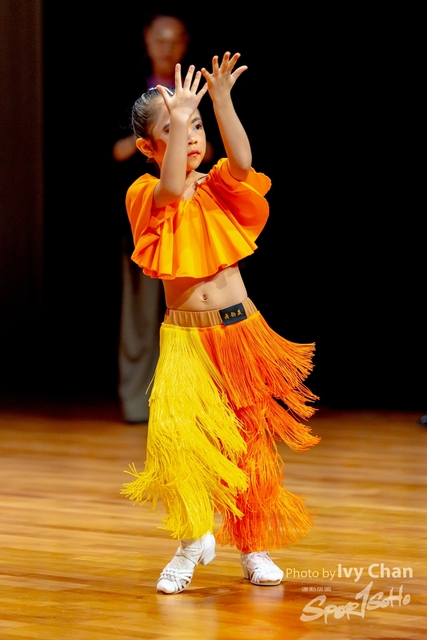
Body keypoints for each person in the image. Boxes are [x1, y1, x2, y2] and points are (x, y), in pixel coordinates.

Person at [121, 52, 320, 594]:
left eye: (195, 126)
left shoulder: (219, 187)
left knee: (248, 442)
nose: (189, 136)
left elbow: (243, 157)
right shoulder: (145, 195)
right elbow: (169, 189)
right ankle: (192, 542)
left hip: (240, 332)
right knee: (179, 440)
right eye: (173, 128)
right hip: (186, 339)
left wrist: (222, 101)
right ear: (147, 147)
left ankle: (253, 547)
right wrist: (181, 111)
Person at [112, 14, 192, 424]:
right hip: (146, 219)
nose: (166, 48)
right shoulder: (133, 92)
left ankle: (189, 404)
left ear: (185, 44)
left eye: (174, 40)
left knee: (191, 315)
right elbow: (117, 150)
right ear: (146, 40)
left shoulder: (193, 92)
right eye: (160, 40)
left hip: (191, 219)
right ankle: (136, 401)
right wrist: (155, 136)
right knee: (142, 318)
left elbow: (213, 149)